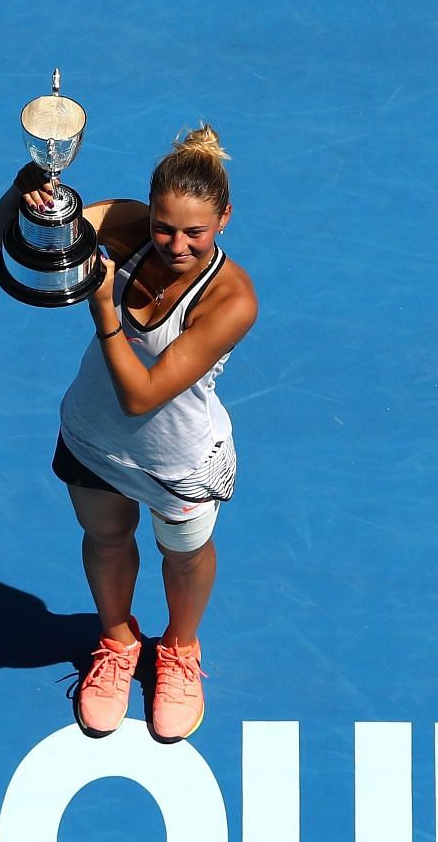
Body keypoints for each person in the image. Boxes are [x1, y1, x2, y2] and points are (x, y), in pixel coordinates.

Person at [14, 125, 258, 743]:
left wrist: (103, 312)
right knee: (105, 540)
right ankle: (118, 640)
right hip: (94, 438)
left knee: (184, 557)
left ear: (224, 219)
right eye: (164, 227)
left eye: (194, 232)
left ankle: (178, 650)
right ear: (148, 213)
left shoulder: (231, 300)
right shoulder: (124, 223)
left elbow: (143, 393)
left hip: (177, 462)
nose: (176, 243)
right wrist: (32, 199)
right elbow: (17, 245)